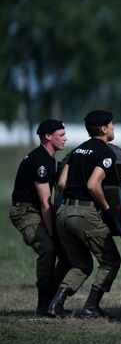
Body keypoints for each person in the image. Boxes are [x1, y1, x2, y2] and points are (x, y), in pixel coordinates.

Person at [48, 110, 121, 318]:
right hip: (84, 212)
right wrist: (106, 208)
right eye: (112, 124)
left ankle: (55, 304)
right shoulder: (107, 153)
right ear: (104, 129)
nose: (113, 128)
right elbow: (93, 185)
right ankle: (91, 307)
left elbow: (62, 184)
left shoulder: (77, 150)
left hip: (63, 213)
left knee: (81, 264)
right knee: (110, 260)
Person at [10, 119, 70, 316]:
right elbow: (45, 202)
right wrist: (52, 232)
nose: (65, 138)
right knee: (47, 248)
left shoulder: (47, 158)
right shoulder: (41, 161)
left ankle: (54, 299)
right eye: (61, 135)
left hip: (38, 210)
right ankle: (43, 303)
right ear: (48, 136)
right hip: (25, 212)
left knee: (68, 253)